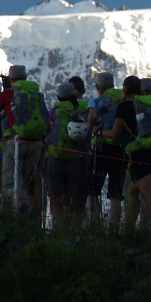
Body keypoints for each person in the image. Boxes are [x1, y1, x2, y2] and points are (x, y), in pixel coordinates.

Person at [0, 65, 50, 217]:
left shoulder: (5, 96)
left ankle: (19, 212)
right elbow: (48, 128)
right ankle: (24, 215)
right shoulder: (36, 96)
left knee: (9, 184)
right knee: (24, 185)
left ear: (10, 79)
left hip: (14, 143)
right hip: (35, 144)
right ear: (25, 78)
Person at [103, 76, 151, 231]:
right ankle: (128, 229)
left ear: (124, 89)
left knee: (150, 196)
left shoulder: (124, 107)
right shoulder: (146, 104)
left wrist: (99, 132)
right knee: (132, 189)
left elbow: (115, 133)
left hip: (139, 154)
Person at [88, 72, 126, 224]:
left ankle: (95, 224)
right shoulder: (121, 100)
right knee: (116, 194)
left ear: (97, 87)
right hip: (119, 149)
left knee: (92, 190)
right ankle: (114, 227)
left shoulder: (96, 101)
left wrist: (91, 128)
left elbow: (91, 116)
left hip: (101, 147)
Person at [44, 82, 84, 224]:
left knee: (54, 200)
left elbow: (45, 132)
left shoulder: (52, 113)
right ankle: (68, 229)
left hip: (54, 158)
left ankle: (60, 227)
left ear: (58, 97)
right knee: (67, 198)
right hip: (73, 159)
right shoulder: (77, 114)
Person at [67, 76, 90, 221]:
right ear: (84, 90)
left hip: (65, 156)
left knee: (64, 194)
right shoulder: (91, 107)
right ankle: (77, 229)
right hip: (85, 156)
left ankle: (61, 229)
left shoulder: (59, 108)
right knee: (79, 197)